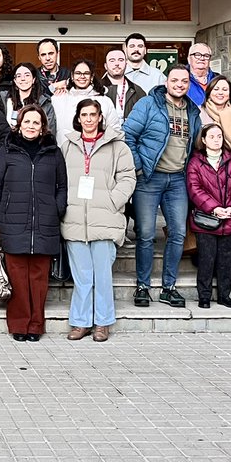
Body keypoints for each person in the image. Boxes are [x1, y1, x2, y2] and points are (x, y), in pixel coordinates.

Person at [0, 104, 68, 342]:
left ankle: (35, 325)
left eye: (36, 122)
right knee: (18, 278)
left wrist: (56, 209)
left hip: (45, 223)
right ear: (19, 125)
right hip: (13, 223)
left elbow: (62, 186)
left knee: (39, 279)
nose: (31, 126)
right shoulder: (7, 150)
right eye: (27, 122)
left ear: (43, 127)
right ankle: (19, 324)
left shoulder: (53, 152)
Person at [123, 65, 201, 308]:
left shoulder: (193, 110)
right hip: (149, 178)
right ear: (166, 82)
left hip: (177, 180)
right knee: (146, 234)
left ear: (189, 84)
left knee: (178, 233)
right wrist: (139, 168)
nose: (179, 85)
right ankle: (143, 286)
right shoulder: (148, 104)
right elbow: (127, 135)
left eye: (184, 81)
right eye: (175, 80)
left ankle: (169, 287)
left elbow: (196, 145)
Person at [60, 98, 135, 342]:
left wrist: (113, 201)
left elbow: (127, 178)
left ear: (100, 117)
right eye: (84, 115)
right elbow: (59, 178)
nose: (89, 119)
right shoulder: (68, 145)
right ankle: (81, 322)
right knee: (82, 276)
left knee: (102, 276)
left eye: (93, 114)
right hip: (75, 220)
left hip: (105, 218)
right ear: (78, 118)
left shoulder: (117, 146)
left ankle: (102, 322)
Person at [186, 123, 231, 309]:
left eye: (219, 136)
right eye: (211, 137)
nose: (216, 140)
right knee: (206, 259)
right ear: (204, 140)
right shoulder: (195, 163)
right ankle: (204, 296)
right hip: (206, 219)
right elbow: (195, 189)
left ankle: (224, 296)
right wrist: (214, 208)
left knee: (226, 260)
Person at [50, 59, 120, 146]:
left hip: (97, 151)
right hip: (64, 151)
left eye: (86, 73)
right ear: (72, 76)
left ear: (92, 77)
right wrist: (55, 86)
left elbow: (115, 130)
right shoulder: (58, 99)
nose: (82, 76)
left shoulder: (105, 101)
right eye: (78, 73)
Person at [1, 62, 56, 134]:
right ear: (15, 80)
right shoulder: (4, 100)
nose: (23, 79)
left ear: (33, 79)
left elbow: (50, 132)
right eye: (19, 76)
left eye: (27, 75)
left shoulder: (44, 104)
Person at [198, 75, 231, 153]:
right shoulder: (199, 112)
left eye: (225, 90)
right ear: (209, 92)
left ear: (230, 94)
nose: (220, 93)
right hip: (205, 157)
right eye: (216, 89)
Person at [102, 48, 146, 121]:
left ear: (126, 64)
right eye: (112, 60)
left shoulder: (138, 91)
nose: (116, 63)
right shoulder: (96, 90)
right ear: (105, 66)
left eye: (121, 60)